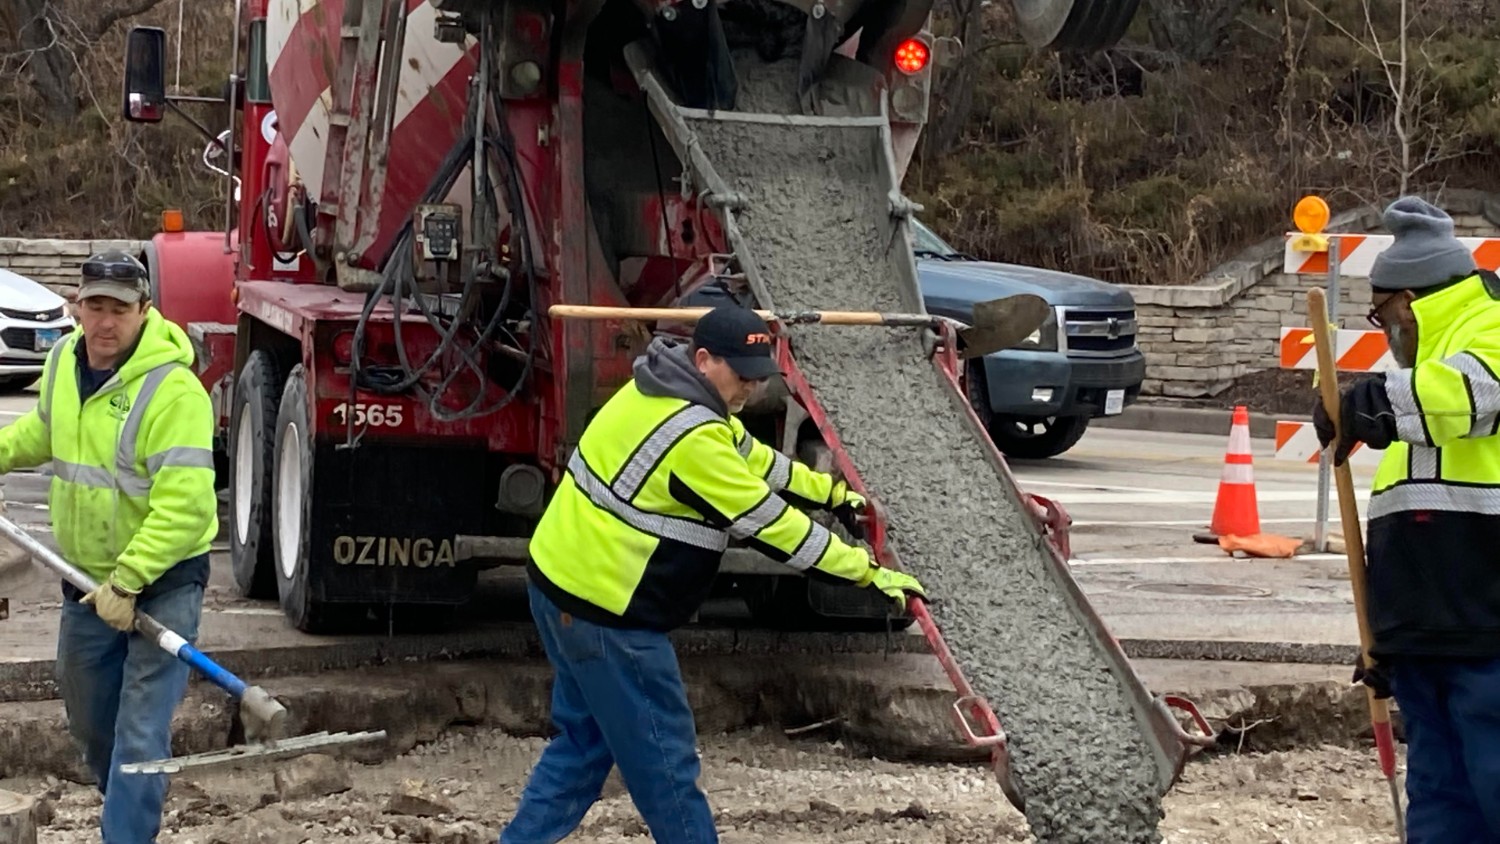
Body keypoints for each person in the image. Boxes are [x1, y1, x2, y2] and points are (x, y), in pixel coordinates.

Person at [501, 305, 927, 844]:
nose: (751, 384)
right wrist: (867, 572)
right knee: (666, 767)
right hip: (607, 614)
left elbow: (755, 458)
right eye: (742, 371)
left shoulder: (662, 390)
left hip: (559, 589)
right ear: (703, 359)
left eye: (758, 372)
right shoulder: (693, 439)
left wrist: (832, 493)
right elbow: (777, 529)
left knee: (585, 743)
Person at [0, 250, 218, 843]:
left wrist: (130, 580)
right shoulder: (64, 363)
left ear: (144, 311)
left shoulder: (174, 393)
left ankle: (126, 833)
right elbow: (38, 432)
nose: (104, 322)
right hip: (86, 584)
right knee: (94, 727)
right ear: (77, 307)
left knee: (142, 736)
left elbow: (186, 507)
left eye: (118, 309)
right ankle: (125, 805)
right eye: (94, 306)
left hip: (162, 584)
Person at [1313, 196, 1500, 842]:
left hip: (1488, 639)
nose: (1386, 332)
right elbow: (1415, 522)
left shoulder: (1490, 329)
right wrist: (1390, 635)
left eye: (1384, 315)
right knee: (1443, 809)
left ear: (1411, 301)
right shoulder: (1422, 380)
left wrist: (1368, 403)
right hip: (1431, 643)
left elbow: (1470, 395)